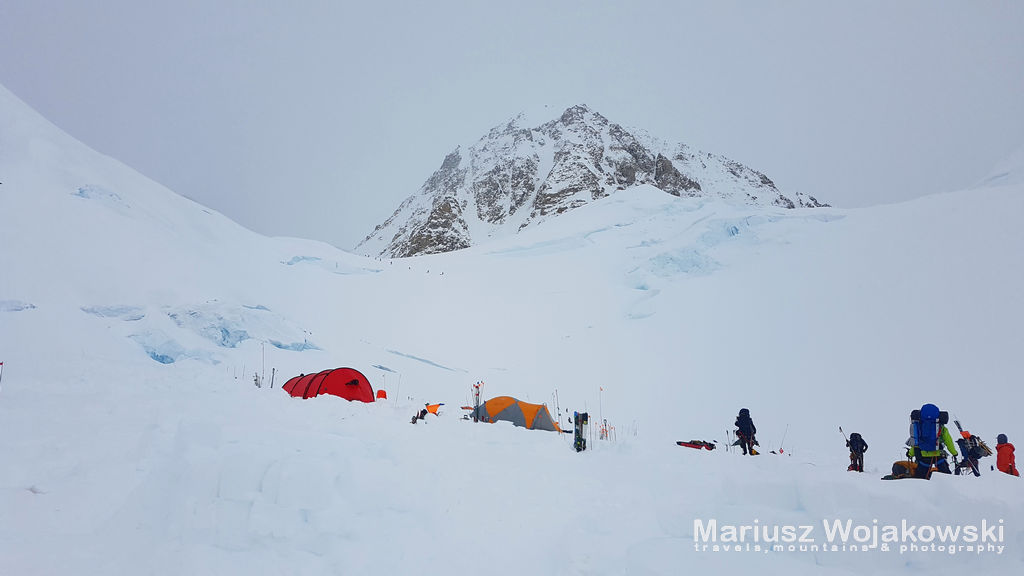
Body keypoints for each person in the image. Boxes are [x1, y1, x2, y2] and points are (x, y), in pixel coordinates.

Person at [906, 403, 958, 479]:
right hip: (938, 456)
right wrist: (954, 453)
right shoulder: (941, 427)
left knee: (920, 479)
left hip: (923, 457)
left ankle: (919, 490)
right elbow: (948, 441)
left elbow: (916, 442)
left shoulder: (918, 426)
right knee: (947, 477)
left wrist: (910, 454)